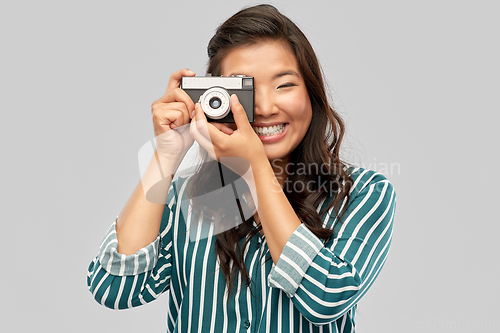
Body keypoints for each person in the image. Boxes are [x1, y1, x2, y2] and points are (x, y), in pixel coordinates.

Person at [87, 4, 396, 333]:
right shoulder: (186, 199)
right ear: (211, 99)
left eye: (284, 85)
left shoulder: (363, 193)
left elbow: (325, 298)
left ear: (312, 93)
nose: (264, 107)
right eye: (243, 89)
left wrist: (253, 170)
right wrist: (166, 157)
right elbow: (114, 289)